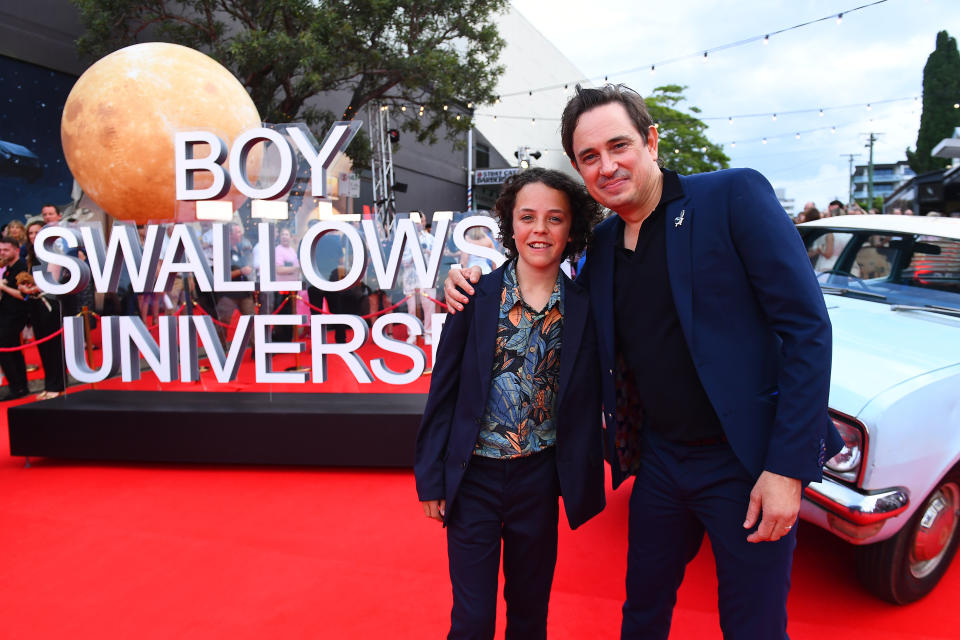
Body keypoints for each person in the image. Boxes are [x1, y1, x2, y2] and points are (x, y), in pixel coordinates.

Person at [445, 84, 843, 640]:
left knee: (753, 625)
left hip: (747, 463)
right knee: (642, 613)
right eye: (589, 157)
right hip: (659, 464)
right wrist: (465, 281)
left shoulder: (732, 197)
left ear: (651, 141)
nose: (607, 166)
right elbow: (544, 297)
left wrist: (788, 469)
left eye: (619, 145)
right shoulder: (601, 247)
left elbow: (807, 330)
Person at [417, 168, 605, 640]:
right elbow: (444, 391)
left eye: (554, 218)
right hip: (473, 479)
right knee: (473, 618)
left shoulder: (586, 306)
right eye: (528, 217)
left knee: (529, 609)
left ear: (572, 228)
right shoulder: (475, 296)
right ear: (510, 225)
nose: (539, 230)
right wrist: (431, 476)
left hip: (539, 480)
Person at [19, 223, 66, 399]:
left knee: (53, 346)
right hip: (35, 303)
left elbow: (52, 280)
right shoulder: (32, 255)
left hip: (50, 303)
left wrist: (31, 289)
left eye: (37, 232)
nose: (33, 236)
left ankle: (58, 385)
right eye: (30, 233)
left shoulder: (53, 253)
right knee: (43, 346)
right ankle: (49, 385)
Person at [0, 236, 30, 401]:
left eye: (6, 250)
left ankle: (16, 387)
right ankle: (19, 386)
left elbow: (23, 295)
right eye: (0, 250)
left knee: (5, 351)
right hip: (6, 314)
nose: (2, 253)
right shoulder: (10, 268)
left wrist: (3, 286)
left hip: (15, 316)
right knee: (13, 351)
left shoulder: (21, 267)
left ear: (16, 250)